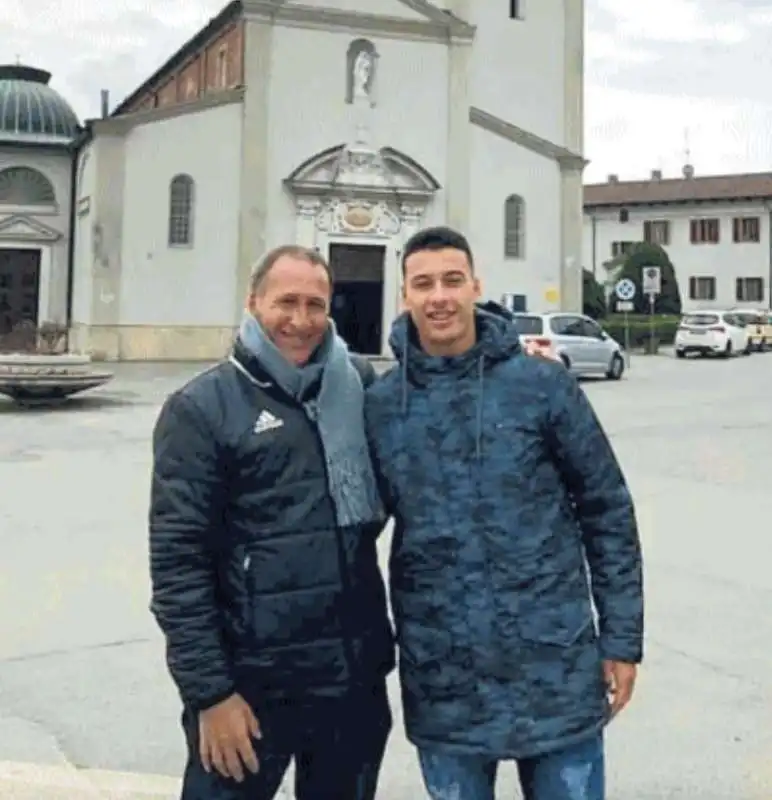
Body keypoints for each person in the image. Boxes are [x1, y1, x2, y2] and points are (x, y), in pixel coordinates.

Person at [363, 226, 644, 800]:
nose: (438, 296)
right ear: (405, 297)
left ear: (475, 286)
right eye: (423, 284)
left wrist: (621, 639)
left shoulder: (542, 386)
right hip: (445, 680)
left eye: (451, 280)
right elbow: (348, 530)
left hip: (556, 669)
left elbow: (606, 509)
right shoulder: (382, 405)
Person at [148, 244, 394, 799]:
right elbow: (177, 565)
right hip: (249, 689)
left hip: (350, 683)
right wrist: (210, 694)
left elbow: (426, 444)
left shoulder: (359, 386)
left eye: (315, 304)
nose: (301, 321)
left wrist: (513, 367)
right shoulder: (202, 408)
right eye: (286, 302)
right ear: (253, 302)